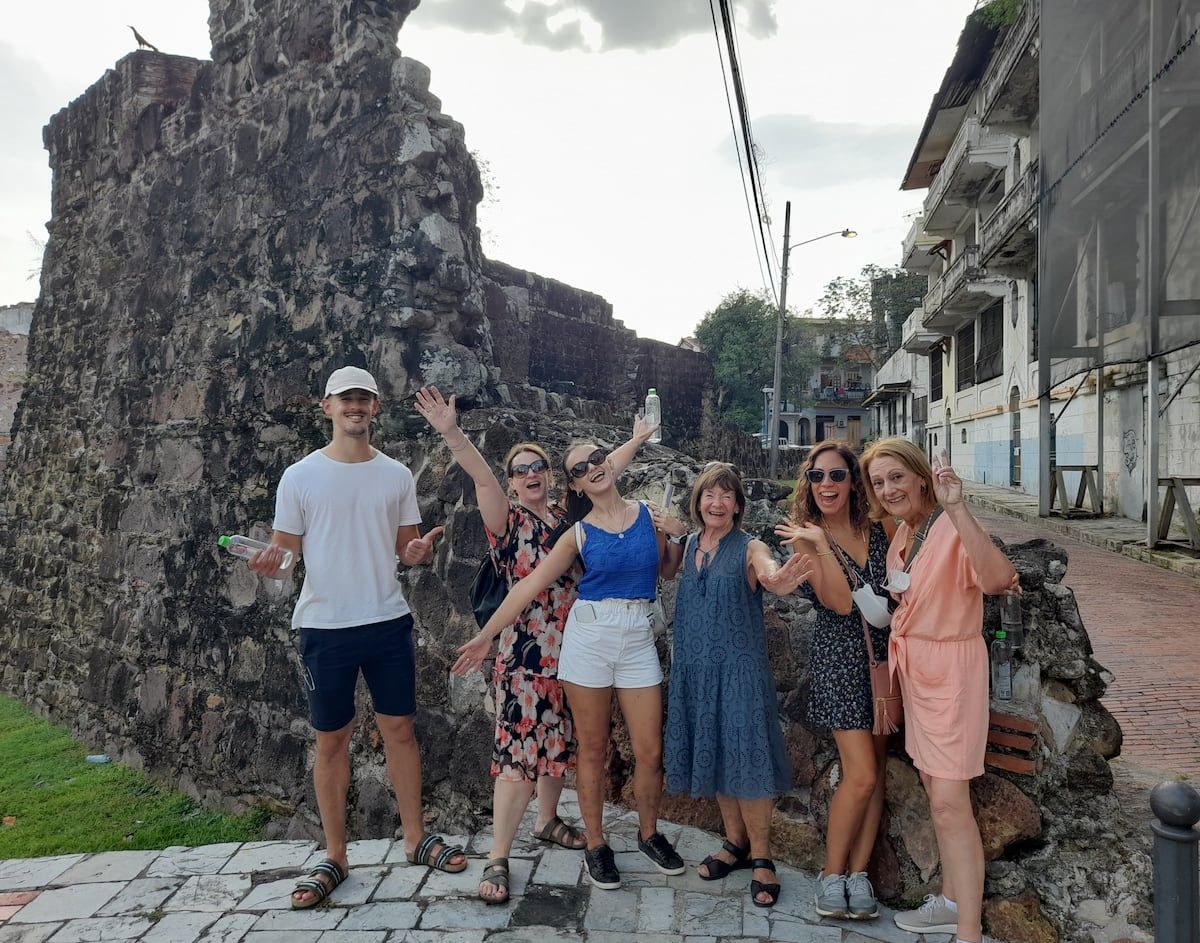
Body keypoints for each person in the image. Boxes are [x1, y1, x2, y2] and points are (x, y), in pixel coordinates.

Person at [414, 386, 655, 904]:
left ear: (550, 475)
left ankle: (547, 820)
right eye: (520, 469)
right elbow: (479, 473)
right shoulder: (508, 522)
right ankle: (499, 855)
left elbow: (597, 467)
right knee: (520, 752)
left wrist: (636, 441)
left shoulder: (566, 516)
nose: (529, 474)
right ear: (512, 481)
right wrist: (451, 432)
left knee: (561, 745)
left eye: (537, 467)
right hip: (526, 653)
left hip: (575, 651)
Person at [248, 366, 467, 910]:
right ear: (326, 408)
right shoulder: (299, 477)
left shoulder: (396, 475)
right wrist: (266, 565)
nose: (356, 407)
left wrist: (416, 554)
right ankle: (336, 855)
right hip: (324, 626)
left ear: (375, 408)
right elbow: (283, 560)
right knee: (332, 740)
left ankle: (415, 839)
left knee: (400, 729)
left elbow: (407, 548)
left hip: (387, 619)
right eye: (345, 399)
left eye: (365, 399)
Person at [453, 438, 684, 891]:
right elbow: (526, 585)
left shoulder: (637, 514)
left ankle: (647, 833)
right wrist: (486, 635)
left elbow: (668, 566)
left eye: (598, 459)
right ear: (573, 481)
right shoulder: (567, 529)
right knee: (583, 751)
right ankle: (590, 846)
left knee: (647, 750)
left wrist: (637, 443)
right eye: (519, 470)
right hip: (571, 642)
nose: (594, 468)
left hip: (624, 638)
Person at [860, 439, 1016, 943]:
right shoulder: (906, 530)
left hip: (951, 671)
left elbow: (997, 579)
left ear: (921, 476)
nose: (888, 489)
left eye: (897, 477)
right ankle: (951, 902)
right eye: (879, 482)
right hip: (918, 670)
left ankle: (968, 931)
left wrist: (958, 506)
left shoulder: (949, 524)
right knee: (935, 791)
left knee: (950, 803)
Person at [652, 463, 813, 908]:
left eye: (726, 496)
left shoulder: (749, 546)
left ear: (738, 505)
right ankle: (735, 844)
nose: (716, 503)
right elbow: (666, 571)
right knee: (719, 752)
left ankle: (763, 856)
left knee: (746, 759)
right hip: (696, 670)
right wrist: (668, 532)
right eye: (709, 495)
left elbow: (767, 569)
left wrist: (777, 579)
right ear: (698, 502)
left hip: (739, 672)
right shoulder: (687, 546)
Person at [774, 440, 896, 920]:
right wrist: (824, 548)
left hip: (886, 659)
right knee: (861, 773)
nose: (827, 484)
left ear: (854, 482)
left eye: (838, 475)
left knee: (878, 772)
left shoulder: (878, 527)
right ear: (808, 483)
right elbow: (839, 603)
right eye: (817, 476)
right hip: (841, 661)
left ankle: (859, 874)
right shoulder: (807, 536)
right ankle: (832, 874)